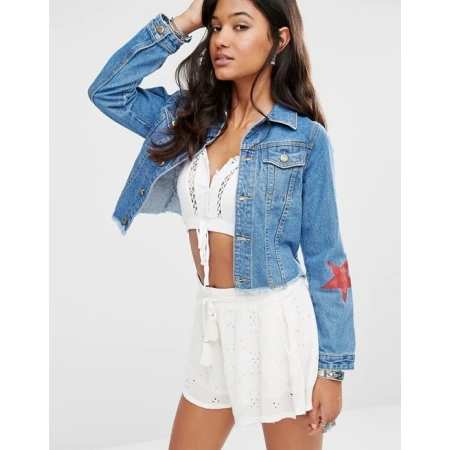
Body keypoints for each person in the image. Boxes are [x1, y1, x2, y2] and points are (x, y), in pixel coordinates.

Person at [87, 0, 356, 449]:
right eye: (215, 27)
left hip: (278, 327)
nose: (221, 40)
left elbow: (328, 259)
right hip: (212, 323)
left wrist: (333, 370)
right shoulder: (187, 120)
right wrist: (184, 22)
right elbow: (108, 91)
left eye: (240, 26)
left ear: (280, 39)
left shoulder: (304, 139)